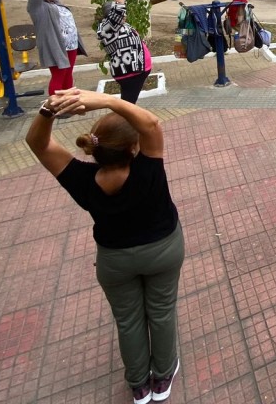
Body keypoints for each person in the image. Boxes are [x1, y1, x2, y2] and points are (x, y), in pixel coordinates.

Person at [25, 89, 184, 404]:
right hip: (163, 250)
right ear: (134, 147)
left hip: (114, 261)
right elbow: (151, 124)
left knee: (128, 319)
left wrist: (48, 109)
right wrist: (110, 100)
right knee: (161, 311)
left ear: (94, 149)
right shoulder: (148, 166)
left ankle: (139, 384)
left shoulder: (81, 178)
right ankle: (162, 376)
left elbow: (38, 144)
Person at [28, 0, 87, 96]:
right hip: (56, 48)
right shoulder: (38, 8)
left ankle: (67, 104)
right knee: (59, 77)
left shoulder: (55, 3)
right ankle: (56, 106)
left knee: (68, 75)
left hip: (71, 45)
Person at [97, 0, 152, 104]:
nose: (124, 14)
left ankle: (125, 121)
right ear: (112, 15)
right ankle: (123, 123)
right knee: (128, 106)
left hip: (133, 71)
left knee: (128, 103)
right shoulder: (108, 27)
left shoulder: (116, 25)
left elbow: (121, 6)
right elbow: (120, 8)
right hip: (130, 72)